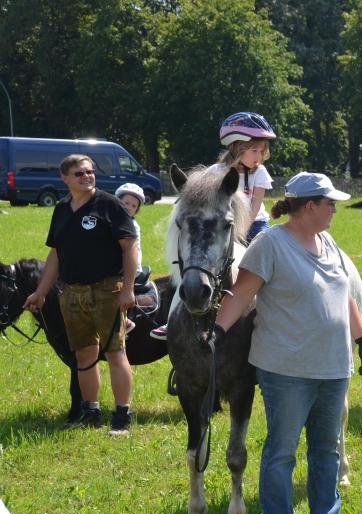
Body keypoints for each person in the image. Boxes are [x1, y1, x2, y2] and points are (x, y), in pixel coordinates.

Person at [211, 172, 362, 514]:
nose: (335, 209)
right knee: (281, 453)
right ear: (310, 206)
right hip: (286, 371)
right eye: (330, 203)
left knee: (327, 452)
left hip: (333, 367)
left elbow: (343, 294)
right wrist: (217, 331)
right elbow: (240, 294)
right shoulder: (270, 244)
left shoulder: (328, 241)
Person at [23, 154, 137, 434]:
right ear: (65, 178)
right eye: (80, 173)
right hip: (71, 293)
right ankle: (91, 412)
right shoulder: (61, 209)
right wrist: (41, 292)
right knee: (84, 356)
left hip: (107, 290)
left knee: (115, 352)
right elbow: (55, 254)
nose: (87, 176)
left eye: (89, 172)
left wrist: (128, 289)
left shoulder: (109, 205)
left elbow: (129, 247)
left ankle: (122, 415)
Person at [152, 111, 277, 340]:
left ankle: (272, 315)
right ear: (237, 147)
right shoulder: (216, 172)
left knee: (270, 264)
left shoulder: (261, 173)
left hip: (254, 224)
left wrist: (240, 233)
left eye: (262, 151)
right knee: (189, 263)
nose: (259, 157)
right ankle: (173, 320)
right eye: (254, 151)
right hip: (219, 226)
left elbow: (255, 206)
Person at [115, 183, 145, 332]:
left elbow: (131, 250)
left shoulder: (132, 225)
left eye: (134, 206)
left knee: (114, 288)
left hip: (130, 265)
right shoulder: (112, 220)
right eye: (126, 203)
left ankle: (124, 320)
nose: (129, 207)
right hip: (117, 263)